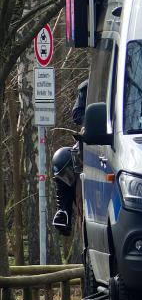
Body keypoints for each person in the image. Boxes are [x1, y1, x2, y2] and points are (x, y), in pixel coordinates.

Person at [51, 79, 89, 235]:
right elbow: (77, 114)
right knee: (62, 158)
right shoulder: (90, 85)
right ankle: (63, 212)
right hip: (96, 135)